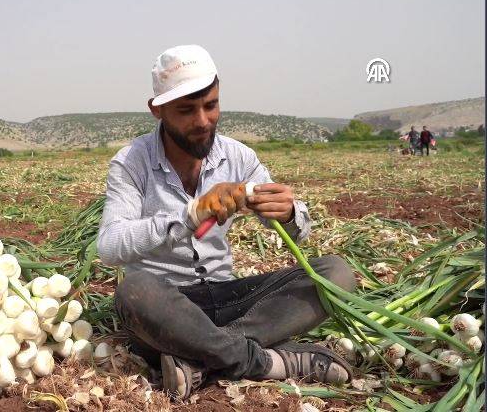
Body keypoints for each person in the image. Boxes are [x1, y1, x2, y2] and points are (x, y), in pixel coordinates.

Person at [97, 45, 356, 401]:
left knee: (336, 275)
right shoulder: (131, 163)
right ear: (157, 110)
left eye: (211, 105)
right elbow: (110, 245)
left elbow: (300, 230)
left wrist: (289, 213)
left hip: (229, 295)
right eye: (187, 110)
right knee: (134, 291)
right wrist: (192, 214)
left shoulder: (239, 156)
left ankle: (201, 358)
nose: (203, 121)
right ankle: (265, 361)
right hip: (170, 305)